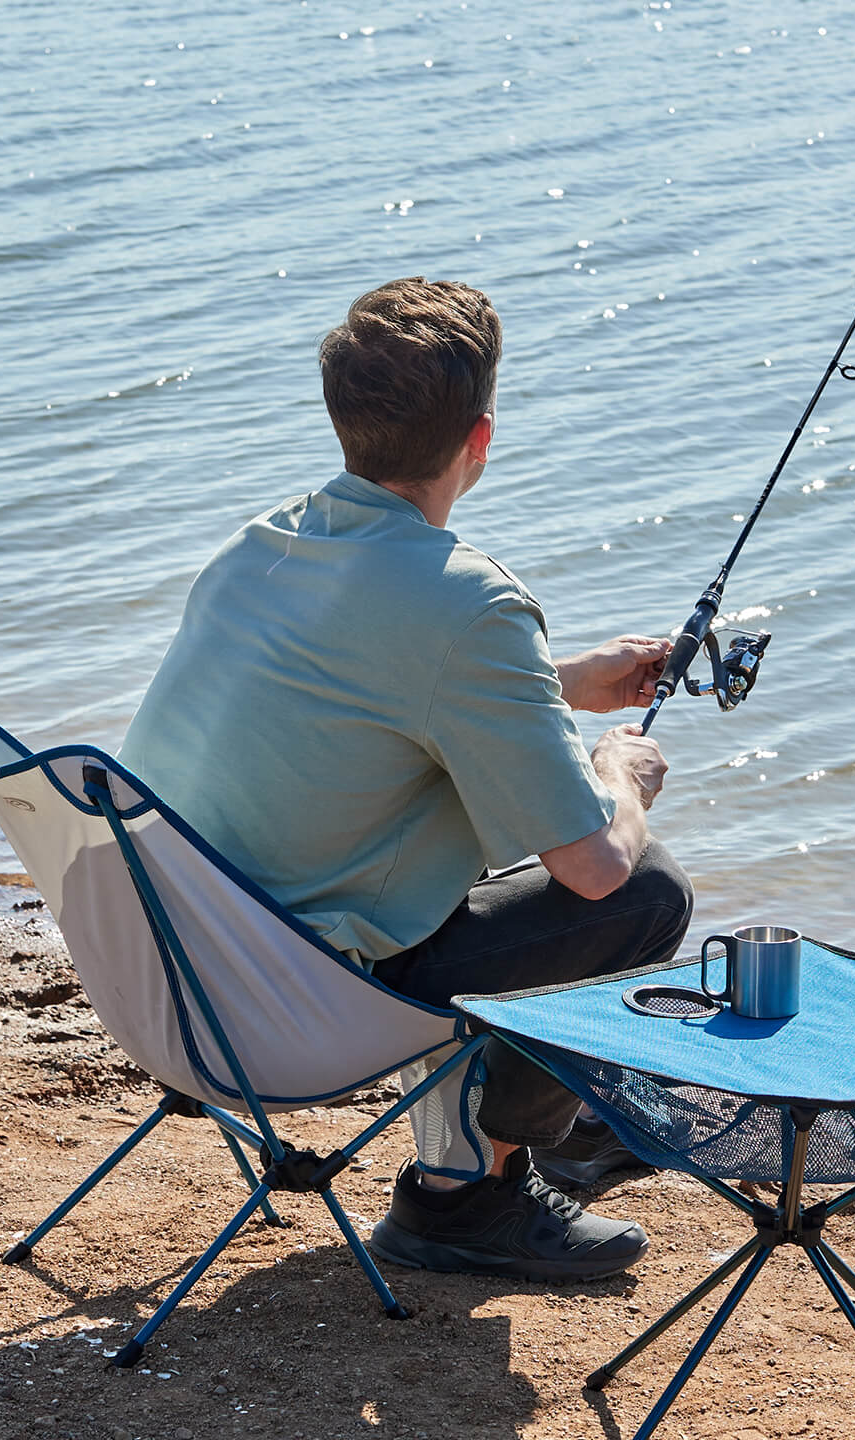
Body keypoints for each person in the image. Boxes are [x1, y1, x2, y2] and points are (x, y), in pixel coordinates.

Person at [120, 277, 693, 1283]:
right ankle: (470, 1195)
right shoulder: (471, 605)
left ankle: (502, 1145)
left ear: (343, 422)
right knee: (647, 892)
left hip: (167, 974)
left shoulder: (262, 543)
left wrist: (561, 686)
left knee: (454, 838)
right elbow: (596, 866)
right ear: (479, 440)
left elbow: (357, 704)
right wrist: (620, 768)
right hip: (295, 1011)